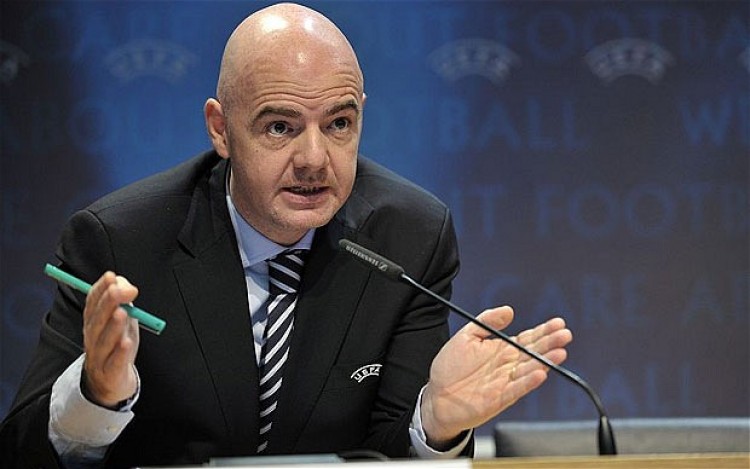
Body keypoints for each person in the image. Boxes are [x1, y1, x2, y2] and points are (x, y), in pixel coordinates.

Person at [0, 3, 572, 467]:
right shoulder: (120, 242)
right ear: (221, 129)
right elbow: (22, 453)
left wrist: (435, 423)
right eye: (280, 127)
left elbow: (386, 454)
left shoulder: (410, 237)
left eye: (339, 124)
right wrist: (97, 395)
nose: (315, 159)